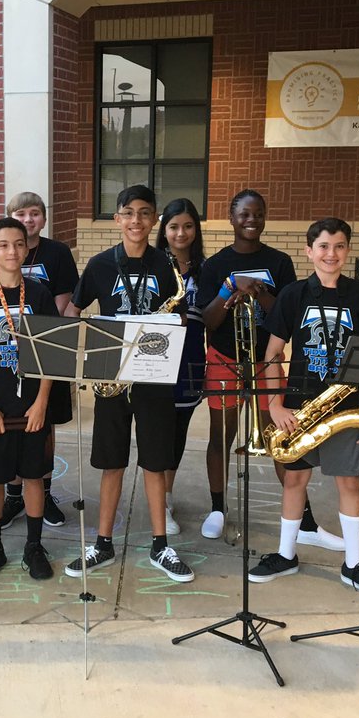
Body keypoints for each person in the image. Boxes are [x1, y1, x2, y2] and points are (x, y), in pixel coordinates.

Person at [247, 217, 359, 600]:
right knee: (294, 481)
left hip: (346, 405)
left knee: (349, 482)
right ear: (309, 251)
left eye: (339, 246)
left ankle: (354, 565)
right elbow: (272, 352)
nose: (331, 254)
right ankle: (285, 555)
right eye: (324, 246)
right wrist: (274, 404)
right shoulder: (294, 294)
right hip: (299, 405)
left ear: (348, 251)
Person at [62, 185, 195, 583]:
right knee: (112, 462)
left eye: (144, 213)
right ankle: (102, 543)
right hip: (111, 375)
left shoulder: (167, 266)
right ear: (117, 218)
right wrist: (81, 345)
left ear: (154, 220)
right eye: (129, 213)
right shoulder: (101, 264)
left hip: (153, 375)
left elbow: (182, 318)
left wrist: (166, 324)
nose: (136, 220)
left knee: (155, 462)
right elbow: (73, 310)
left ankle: (160, 545)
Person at [197, 190, 343, 548]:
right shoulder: (215, 265)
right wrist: (230, 288)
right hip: (226, 358)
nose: (252, 220)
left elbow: (290, 317)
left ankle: (304, 520)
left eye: (258, 214)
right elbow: (209, 321)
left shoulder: (278, 262)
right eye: (244, 214)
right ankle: (217, 508)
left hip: (268, 360)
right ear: (231, 218)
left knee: (280, 437)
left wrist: (259, 293)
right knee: (221, 435)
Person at [0, 218, 56, 582]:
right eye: (3, 245)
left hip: (32, 406)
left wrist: (42, 403)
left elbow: (52, 352)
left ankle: (34, 546)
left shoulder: (39, 294)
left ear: (27, 248)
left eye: (19, 244)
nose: (12, 251)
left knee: (33, 477)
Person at [0, 191, 79, 530]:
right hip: (3, 367)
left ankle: (43, 499)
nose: (28, 219)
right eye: (21, 213)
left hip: (41, 361)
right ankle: (12, 499)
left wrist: (42, 330)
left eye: (35, 213)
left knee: (41, 433)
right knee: (6, 440)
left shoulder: (56, 256)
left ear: (44, 218)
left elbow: (62, 304)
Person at [154, 198, 205, 536]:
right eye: (173, 227)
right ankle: (158, 499)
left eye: (188, 226)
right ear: (164, 230)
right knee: (158, 431)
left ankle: (167, 496)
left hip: (190, 359)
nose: (181, 233)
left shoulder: (206, 268)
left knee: (178, 433)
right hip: (157, 359)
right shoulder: (153, 263)